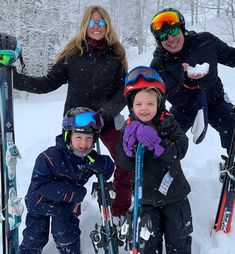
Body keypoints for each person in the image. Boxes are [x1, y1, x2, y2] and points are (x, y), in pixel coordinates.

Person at [13, 5, 132, 217]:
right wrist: (14, 79)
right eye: (92, 22)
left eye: (101, 22)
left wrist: (104, 114)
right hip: (76, 122)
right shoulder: (73, 54)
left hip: (106, 119)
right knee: (67, 168)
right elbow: (47, 83)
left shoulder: (116, 55)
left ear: (107, 26)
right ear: (85, 25)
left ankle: (119, 210)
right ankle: (70, 211)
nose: (96, 27)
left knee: (125, 159)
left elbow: (122, 93)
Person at [115, 66, 193, 254]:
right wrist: (127, 149)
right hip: (145, 200)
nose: (144, 109)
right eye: (139, 104)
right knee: (148, 245)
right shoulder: (128, 128)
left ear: (159, 103)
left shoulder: (168, 122)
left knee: (179, 241)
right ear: (131, 105)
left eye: (150, 103)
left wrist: (159, 144)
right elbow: (124, 164)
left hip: (175, 196)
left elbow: (181, 148)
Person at [18, 107, 115, 254]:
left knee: (66, 235)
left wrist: (103, 164)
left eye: (89, 138)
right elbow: (40, 186)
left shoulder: (88, 158)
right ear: (67, 135)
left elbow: (108, 169)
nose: (84, 143)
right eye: (78, 138)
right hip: (39, 203)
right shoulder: (49, 157)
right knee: (35, 236)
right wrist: (73, 193)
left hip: (64, 206)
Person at [150, 8, 235, 153]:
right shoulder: (158, 64)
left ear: (182, 29)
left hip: (215, 101)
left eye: (174, 31)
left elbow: (230, 56)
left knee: (233, 126)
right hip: (183, 109)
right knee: (164, 142)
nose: (170, 39)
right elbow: (173, 97)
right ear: (159, 41)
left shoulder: (206, 42)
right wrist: (188, 83)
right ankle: (166, 172)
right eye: (164, 36)